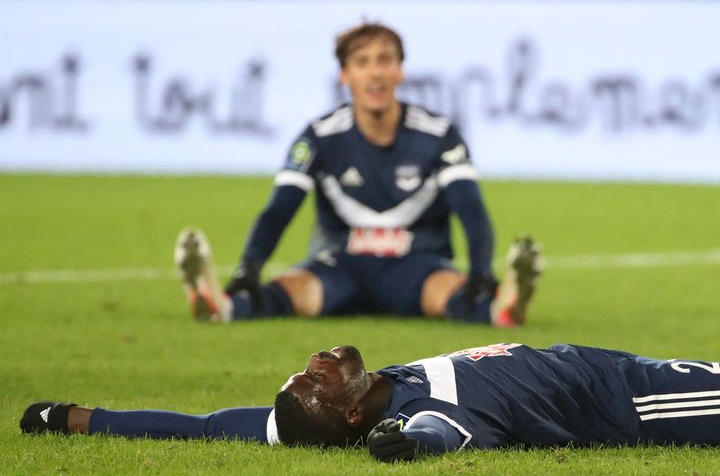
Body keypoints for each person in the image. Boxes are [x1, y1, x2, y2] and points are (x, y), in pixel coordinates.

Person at [173, 22, 542, 325]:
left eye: (385, 60)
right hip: (340, 264)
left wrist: (480, 271)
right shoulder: (319, 137)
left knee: (449, 293)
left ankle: (502, 307)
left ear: (401, 70)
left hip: (416, 264)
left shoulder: (438, 135)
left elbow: (471, 209)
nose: (375, 71)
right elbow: (279, 210)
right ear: (345, 75)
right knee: (295, 290)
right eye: (362, 62)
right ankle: (222, 305)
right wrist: (249, 269)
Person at [22, 342, 720, 461]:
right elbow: (437, 433)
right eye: (315, 380)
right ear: (354, 415)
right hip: (638, 400)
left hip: (618, 364)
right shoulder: (421, 413)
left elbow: (208, 427)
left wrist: (83, 419)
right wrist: (410, 447)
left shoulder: (376, 390)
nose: (316, 362)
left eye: (305, 371)